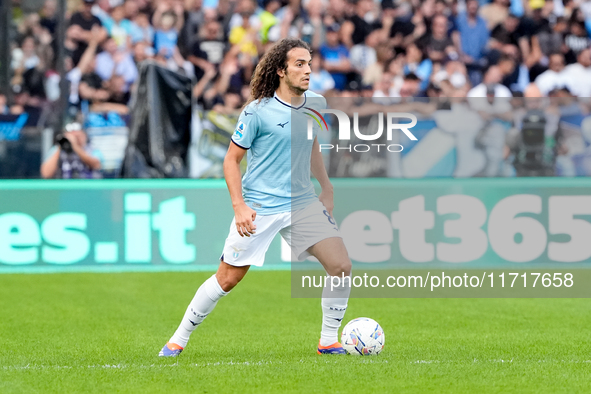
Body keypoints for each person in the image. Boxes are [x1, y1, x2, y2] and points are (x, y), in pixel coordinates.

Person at [159, 38, 352, 357]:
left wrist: (326, 187)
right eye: (299, 64)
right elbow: (230, 160)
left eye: (309, 64)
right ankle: (177, 339)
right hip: (260, 207)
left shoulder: (316, 102)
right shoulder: (257, 111)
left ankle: (328, 341)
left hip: (302, 204)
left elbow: (311, 145)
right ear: (281, 71)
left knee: (340, 265)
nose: (307, 71)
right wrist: (240, 207)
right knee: (227, 279)